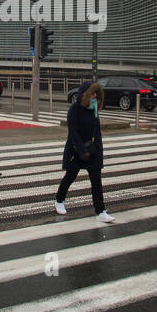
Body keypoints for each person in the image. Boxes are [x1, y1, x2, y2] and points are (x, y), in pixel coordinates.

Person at [55, 81, 113, 223]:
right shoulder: (74, 109)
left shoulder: (93, 108)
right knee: (70, 175)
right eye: (92, 93)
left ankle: (100, 211)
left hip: (92, 149)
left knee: (96, 180)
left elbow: (96, 131)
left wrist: (98, 150)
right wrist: (81, 150)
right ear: (85, 94)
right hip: (76, 149)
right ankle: (59, 200)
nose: (94, 96)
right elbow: (73, 132)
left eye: (96, 94)